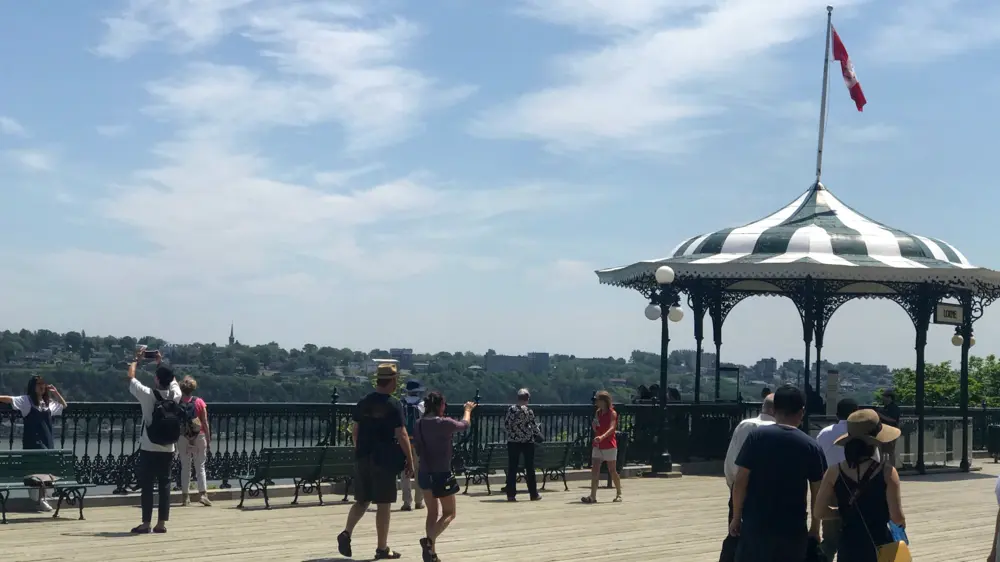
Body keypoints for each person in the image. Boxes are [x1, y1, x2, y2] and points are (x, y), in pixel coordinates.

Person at [730, 385, 826, 562]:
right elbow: (817, 492)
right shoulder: (811, 446)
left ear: (773, 410)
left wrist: (736, 517)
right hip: (792, 527)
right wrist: (815, 527)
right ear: (802, 411)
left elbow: (741, 480)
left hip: (756, 523)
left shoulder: (756, 437)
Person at [338, 363, 415, 561]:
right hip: (384, 459)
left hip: (363, 456)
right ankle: (382, 548)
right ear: (393, 381)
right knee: (384, 504)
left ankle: (346, 532)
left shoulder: (363, 402)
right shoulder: (394, 404)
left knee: (362, 500)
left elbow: (355, 431)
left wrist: (360, 451)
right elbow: (402, 434)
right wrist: (410, 459)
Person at [814, 409, 906, 562]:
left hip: (849, 544)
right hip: (879, 543)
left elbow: (819, 512)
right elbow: (897, 517)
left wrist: (846, 512)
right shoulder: (887, 472)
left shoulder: (834, 471)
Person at [815, 398, 881, 560]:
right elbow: (876, 463)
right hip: (864, 493)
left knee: (830, 541)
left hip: (832, 490)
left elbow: (818, 460)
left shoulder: (824, 434)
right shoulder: (866, 435)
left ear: (837, 414)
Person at [413, 391, 475, 562]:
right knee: (449, 512)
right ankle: (429, 542)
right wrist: (468, 410)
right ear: (441, 406)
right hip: (442, 472)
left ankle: (431, 553)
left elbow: (417, 447)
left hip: (424, 472)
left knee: (432, 513)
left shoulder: (418, 424)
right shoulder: (445, 423)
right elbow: (464, 425)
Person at [128, 351, 182, 534]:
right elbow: (173, 379)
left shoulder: (147, 395)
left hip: (149, 446)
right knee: (165, 485)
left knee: (147, 485)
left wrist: (136, 359)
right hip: (168, 446)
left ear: (157, 380)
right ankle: (161, 523)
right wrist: (161, 362)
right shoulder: (175, 395)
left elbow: (131, 377)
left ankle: (145, 523)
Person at [0, 376, 68, 511]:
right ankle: (40, 499)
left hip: (47, 440)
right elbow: (9, 398)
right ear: (33, 386)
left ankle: (41, 498)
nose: (42, 387)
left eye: (43, 384)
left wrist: (55, 392)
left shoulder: (48, 403)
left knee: (45, 469)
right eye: (39, 384)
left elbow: (64, 405)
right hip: (33, 441)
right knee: (36, 469)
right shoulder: (26, 401)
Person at [720, 393, 774, 562]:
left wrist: (733, 486)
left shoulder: (744, 425)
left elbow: (731, 464)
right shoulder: (775, 429)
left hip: (737, 489)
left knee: (734, 537)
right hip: (765, 494)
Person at [177, 376, 212, 507]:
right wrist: (208, 439)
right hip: (199, 435)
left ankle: (185, 497)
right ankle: (203, 494)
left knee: (185, 467)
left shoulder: (177, 402)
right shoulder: (199, 402)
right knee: (200, 466)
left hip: (183, 436)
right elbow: (205, 422)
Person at [582, 390, 622, 504]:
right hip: (598, 444)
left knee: (612, 470)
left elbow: (612, 428)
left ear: (604, 401)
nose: (596, 402)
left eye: (597, 400)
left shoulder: (612, 413)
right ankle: (592, 496)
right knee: (595, 469)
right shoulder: (598, 412)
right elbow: (597, 427)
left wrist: (602, 436)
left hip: (609, 444)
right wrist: (594, 427)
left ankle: (619, 493)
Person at [503, 388, 541, 502]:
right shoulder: (528, 411)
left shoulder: (511, 410)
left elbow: (506, 425)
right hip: (527, 441)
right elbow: (534, 427)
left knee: (512, 468)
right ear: (527, 399)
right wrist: (538, 434)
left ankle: (511, 494)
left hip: (513, 441)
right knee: (530, 468)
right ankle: (533, 494)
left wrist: (514, 432)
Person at [401, 379, 426, 512]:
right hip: (418, 442)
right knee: (419, 471)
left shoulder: (401, 404)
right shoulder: (422, 405)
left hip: (404, 442)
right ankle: (419, 500)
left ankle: (406, 501)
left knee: (405, 471)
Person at [877, 389, 901, 469]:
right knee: (881, 450)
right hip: (884, 431)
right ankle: (882, 468)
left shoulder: (894, 408)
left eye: (885, 397)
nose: (883, 398)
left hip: (892, 432)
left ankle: (892, 468)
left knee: (890, 451)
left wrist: (880, 415)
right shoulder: (885, 407)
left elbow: (893, 420)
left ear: (890, 398)